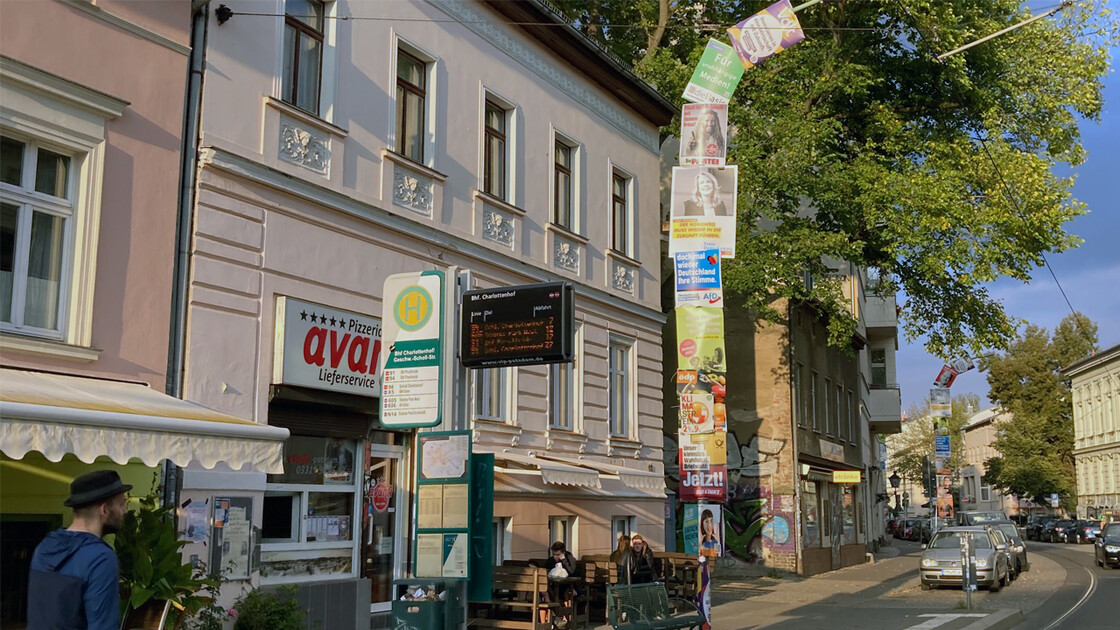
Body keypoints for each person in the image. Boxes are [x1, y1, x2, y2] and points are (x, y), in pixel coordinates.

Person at [28, 469, 132, 630]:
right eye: (122, 504)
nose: (125, 510)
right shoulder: (101, 558)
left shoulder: (43, 548)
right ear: (104, 509)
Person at [539, 541, 577, 626]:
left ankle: (564, 618)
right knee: (544, 591)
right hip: (553, 587)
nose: (555, 557)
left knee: (566, 593)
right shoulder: (551, 560)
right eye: (554, 554)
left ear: (563, 553)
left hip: (568, 586)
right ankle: (550, 619)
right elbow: (545, 570)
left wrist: (563, 560)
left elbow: (571, 572)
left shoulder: (570, 559)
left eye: (558, 555)